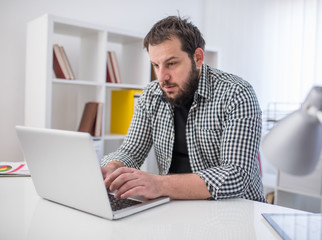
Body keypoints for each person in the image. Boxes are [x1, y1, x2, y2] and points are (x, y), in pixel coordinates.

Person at [101, 15, 266, 202]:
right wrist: (113, 168)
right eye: (156, 65)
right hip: (177, 207)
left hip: (235, 211)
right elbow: (131, 150)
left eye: (171, 63)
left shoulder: (236, 93)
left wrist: (159, 184)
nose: (162, 77)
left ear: (197, 58)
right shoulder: (151, 95)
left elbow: (235, 175)